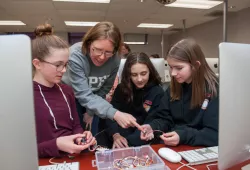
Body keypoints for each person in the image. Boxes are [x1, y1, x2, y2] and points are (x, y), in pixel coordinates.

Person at [61, 21, 141, 136]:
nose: (102, 57)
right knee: (76, 136)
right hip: (71, 99)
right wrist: (116, 114)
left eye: (108, 52)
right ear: (89, 43)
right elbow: (83, 94)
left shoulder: (115, 58)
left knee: (92, 136)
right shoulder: (75, 55)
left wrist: (91, 111)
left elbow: (105, 88)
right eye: (97, 49)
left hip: (96, 99)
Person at [32, 24, 96, 158]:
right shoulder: (24, 97)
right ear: (37, 64)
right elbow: (17, 149)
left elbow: (76, 126)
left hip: (71, 160)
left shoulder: (67, 91)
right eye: (58, 65)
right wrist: (56, 144)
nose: (64, 70)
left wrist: (81, 136)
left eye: (66, 64)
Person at [141, 39, 219, 147]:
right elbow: (165, 119)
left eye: (179, 68)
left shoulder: (214, 90)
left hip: (199, 149)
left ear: (196, 65)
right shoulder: (174, 85)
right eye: (171, 67)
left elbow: (214, 135)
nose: (173, 73)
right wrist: (153, 126)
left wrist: (182, 136)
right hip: (175, 146)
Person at [100, 52, 164, 148]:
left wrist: (127, 143)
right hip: (118, 136)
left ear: (150, 71)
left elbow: (152, 122)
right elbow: (111, 115)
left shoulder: (157, 92)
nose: (139, 79)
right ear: (128, 74)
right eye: (134, 75)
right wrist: (115, 135)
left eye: (143, 74)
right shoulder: (121, 89)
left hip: (142, 140)